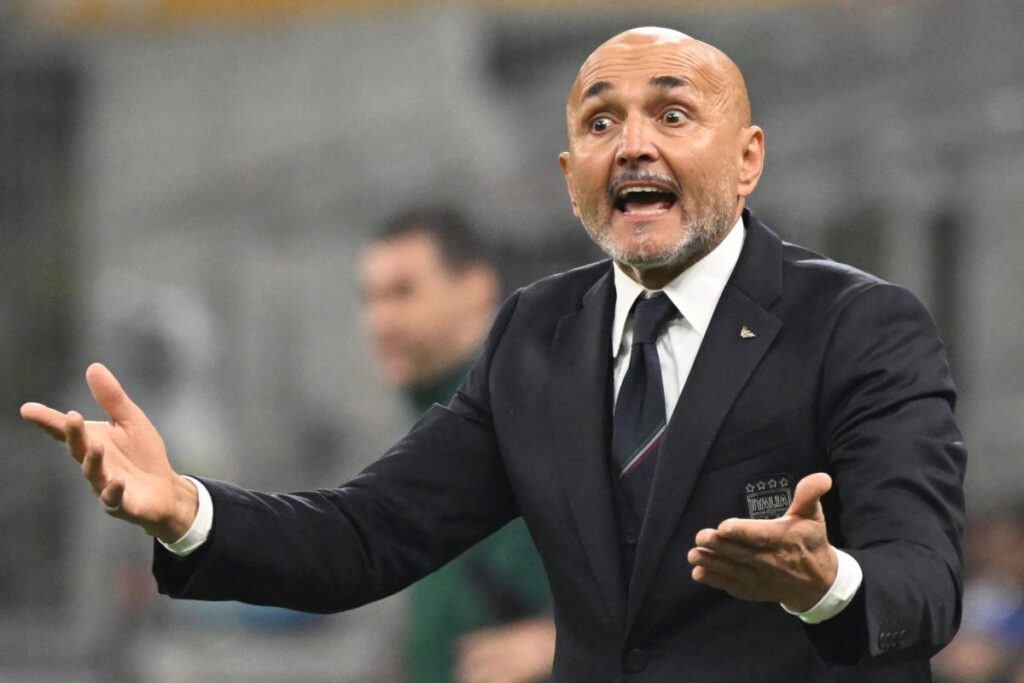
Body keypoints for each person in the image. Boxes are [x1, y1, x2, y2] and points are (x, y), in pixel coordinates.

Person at [22, 27, 966, 680]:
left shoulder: (859, 324)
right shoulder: (536, 338)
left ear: (749, 157)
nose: (633, 144)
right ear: (570, 177)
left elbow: (924, 582)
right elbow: (368, 534)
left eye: (673, 115)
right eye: (601, 123)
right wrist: (187, 508)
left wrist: (826, 583)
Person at [359, 206, 554, 683]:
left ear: (476, 290)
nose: (381, 319)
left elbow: (690, 555)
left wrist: (560, 640)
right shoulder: (425, 427)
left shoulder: (547, 405)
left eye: (403, 292)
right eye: (370, 297)